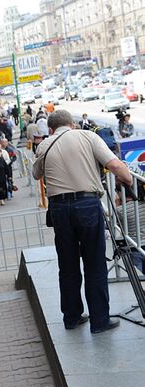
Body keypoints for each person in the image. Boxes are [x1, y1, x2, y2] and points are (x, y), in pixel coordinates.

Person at [33, 109, 133, 334]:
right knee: (95, 264)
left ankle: (72, 317)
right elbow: (115, 166)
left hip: (59, 209)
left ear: (51, 129)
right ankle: (99, 321)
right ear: (72, 124)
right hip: (87, 205)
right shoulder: (88, 136)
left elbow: (36, 175)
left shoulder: (45, 144)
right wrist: (128, 180)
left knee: (67, 266)